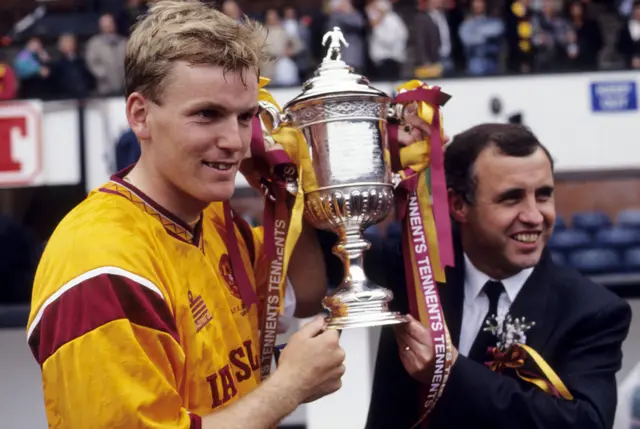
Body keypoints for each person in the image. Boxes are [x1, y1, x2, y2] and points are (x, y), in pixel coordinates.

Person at [26, 1, 345, 428]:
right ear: (140, 115)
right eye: (207, 114)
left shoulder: (212, 218)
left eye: (244, 116)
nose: (234, 141)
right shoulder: (102, 261)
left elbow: (302, 293)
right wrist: (290, 386)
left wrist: (284, 195)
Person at [325, 123, 632, 428]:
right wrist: (377, 155)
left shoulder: (592, 310)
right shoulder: (413, 273)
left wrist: (450, 371)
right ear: (458, 205)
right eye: (511, 198)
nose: (534, 216)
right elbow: (327, 240)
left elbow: (585, 423)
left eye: (543, 195)